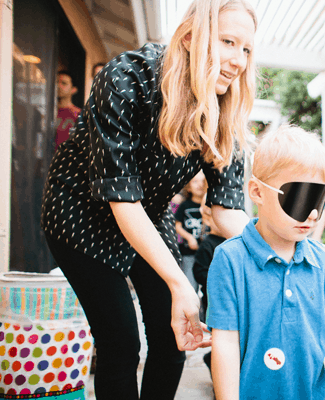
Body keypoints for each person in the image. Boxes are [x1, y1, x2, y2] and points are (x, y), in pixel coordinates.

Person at [40, 1, 256, 398]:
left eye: (246, 49)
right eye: (228, 42)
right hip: (80, 211)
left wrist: (278, 248)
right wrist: (181, 283)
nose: (239, 60)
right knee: (122, 345)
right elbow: (122, 202)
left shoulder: (225, 109)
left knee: (175, 340)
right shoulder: (127, 75)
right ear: (191, 38)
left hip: (148, 213)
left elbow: (226, 210)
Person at [207, 126, 325, 400]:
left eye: (319, 199)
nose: (312, 214)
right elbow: (225, 341)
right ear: (257, 192)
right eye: (300, 198)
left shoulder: (322, 261)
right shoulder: (230, 260)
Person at [192, 203, 227, 377]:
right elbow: (199, 272)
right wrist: (219, 279)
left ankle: (213, 359)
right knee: (220, 340)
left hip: (232, 300)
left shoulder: (234, 241)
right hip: (214, 303)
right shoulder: (208, 245)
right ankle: (217, 371)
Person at [175, 171, 207, 292]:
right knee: (190, 284)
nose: (199, 184)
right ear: (188, 187)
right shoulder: (184, 206)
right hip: (188, 253)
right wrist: (189, 238)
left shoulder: (208, 205)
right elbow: (177, 226)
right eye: (195, 181)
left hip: (205, 252)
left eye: (202, 181)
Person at [55, 70, 81, 150]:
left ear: (73, 89)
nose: (58, 86)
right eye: (56, 82)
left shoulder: (79, 114)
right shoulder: (45, 112)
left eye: (64, 83)